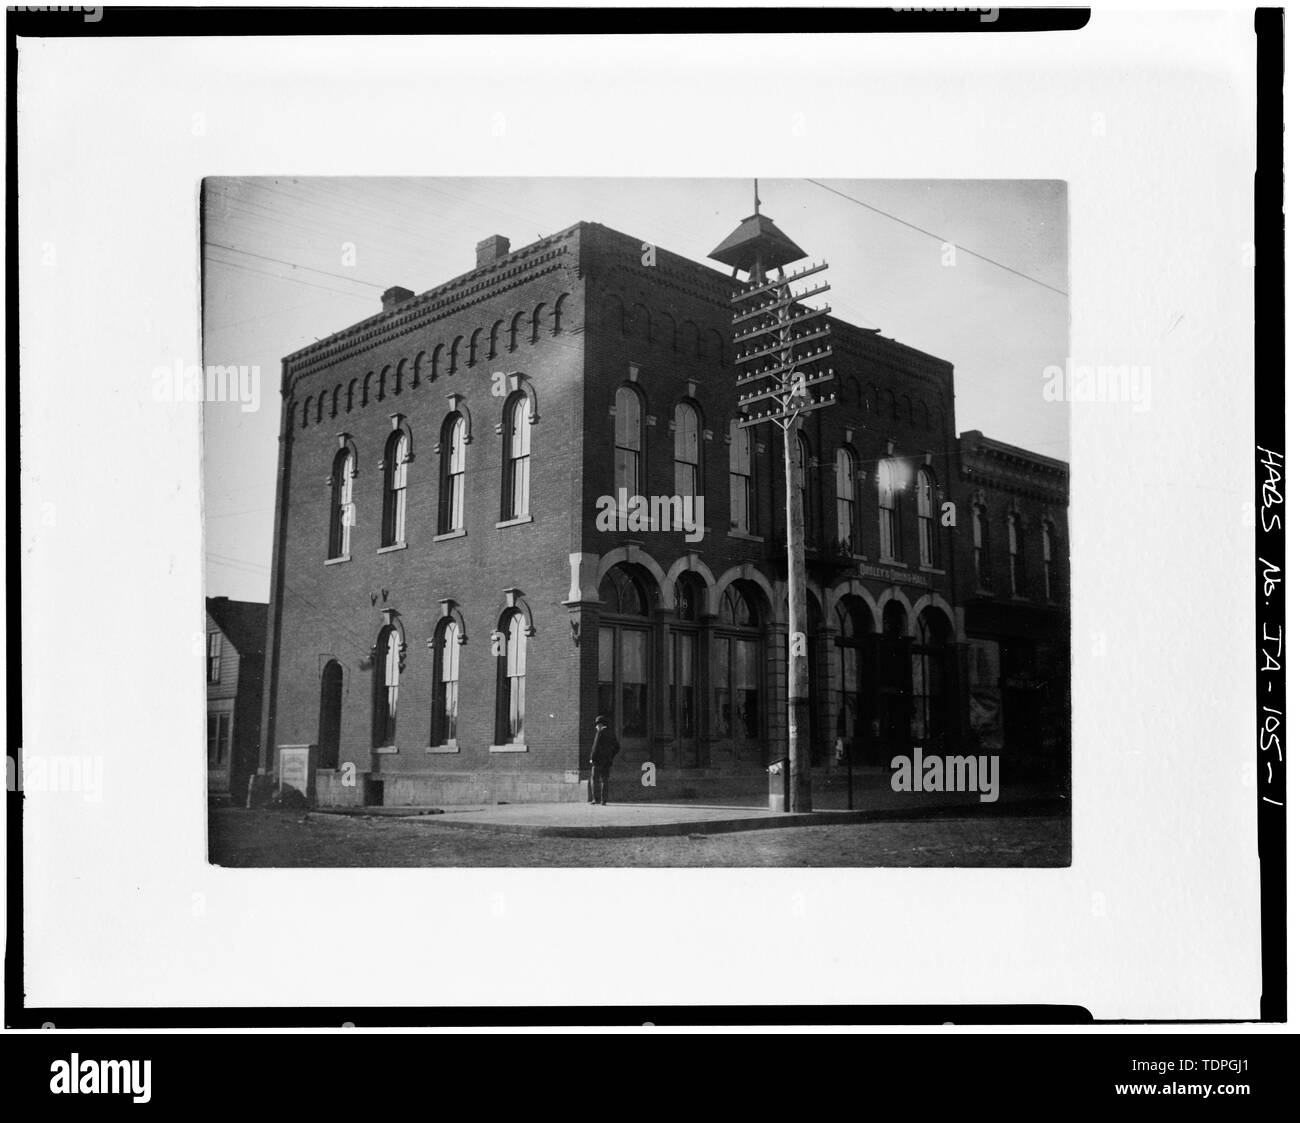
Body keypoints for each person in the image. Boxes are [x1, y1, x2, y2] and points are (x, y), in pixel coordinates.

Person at [588, 715, 620, 805]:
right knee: (605, 780)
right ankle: (604, 800)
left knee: (594, 779)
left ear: (600, 724)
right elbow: (617, 747)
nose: (596, 727)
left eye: (597, 725)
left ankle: (596, 799)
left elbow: (595, 747)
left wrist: (592, 758)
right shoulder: (611, 733)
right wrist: (611, 755)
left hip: (597, 761)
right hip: (607, 761)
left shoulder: (600, 733)